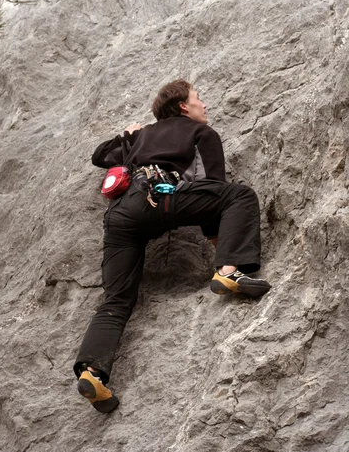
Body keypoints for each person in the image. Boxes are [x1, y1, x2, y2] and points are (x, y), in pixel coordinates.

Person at [74, 79, 271, 413]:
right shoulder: (202, 133)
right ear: (183, 106)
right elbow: (213, 184)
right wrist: (218, 245)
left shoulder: (140, 136)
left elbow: (99, 157)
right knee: (239, 195)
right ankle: (229, 272)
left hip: (121, 216)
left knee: (117, 299)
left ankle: (92, 373)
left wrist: (127, 134)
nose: (204, 104)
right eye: (199, 98)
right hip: (163, 198)